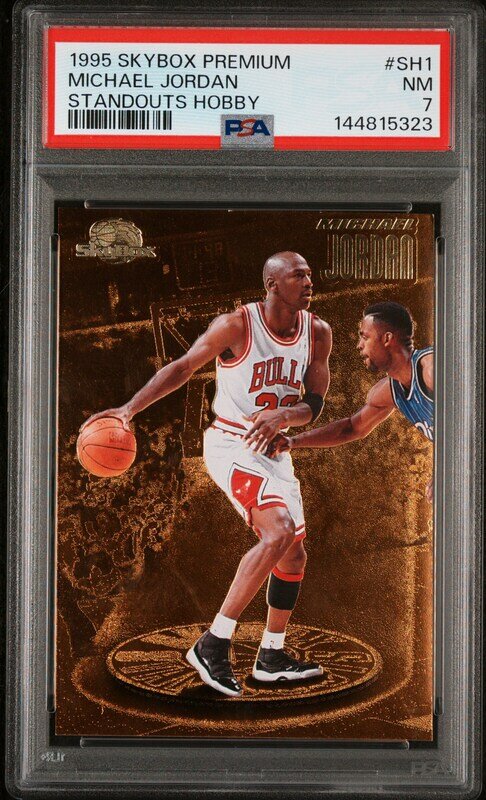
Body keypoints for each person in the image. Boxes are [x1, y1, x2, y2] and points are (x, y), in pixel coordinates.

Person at [81, 251, 332, 697]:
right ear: (273, 284)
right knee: (277, 532)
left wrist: (286, 416)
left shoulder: (318, 332)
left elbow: (314, 401)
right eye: (299, 275)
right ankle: (213, 643)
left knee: (294, 556)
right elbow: (183, 367)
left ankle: (271, 656)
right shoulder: (236, 325)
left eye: (310, 274)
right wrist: (128, 409)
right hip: (232, 443)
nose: (309, 281)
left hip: (274, 449)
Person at [270, 301, 434, 501]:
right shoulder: (390, 391)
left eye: (365, 337)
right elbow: (351, 428)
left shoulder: (431, 369)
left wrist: (444, 467)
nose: (359, 345)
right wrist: (292, 442)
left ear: (387, 339)